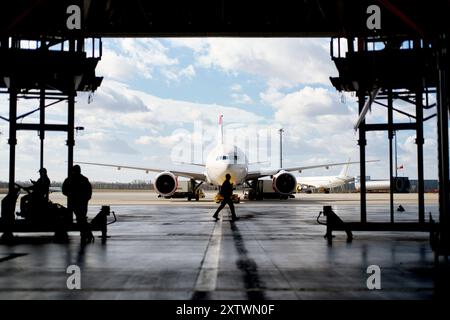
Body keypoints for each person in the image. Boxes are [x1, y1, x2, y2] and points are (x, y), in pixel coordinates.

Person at [62, 165, 93, 243]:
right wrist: (86, 199)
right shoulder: (84, 179)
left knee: (78, 219)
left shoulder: (69, 179)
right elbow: (89, 192)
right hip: (82, 203)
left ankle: (85, 234)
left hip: (73, 202)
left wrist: (71, 195)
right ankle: (86, 234)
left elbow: (64, 190)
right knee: (82, 218)